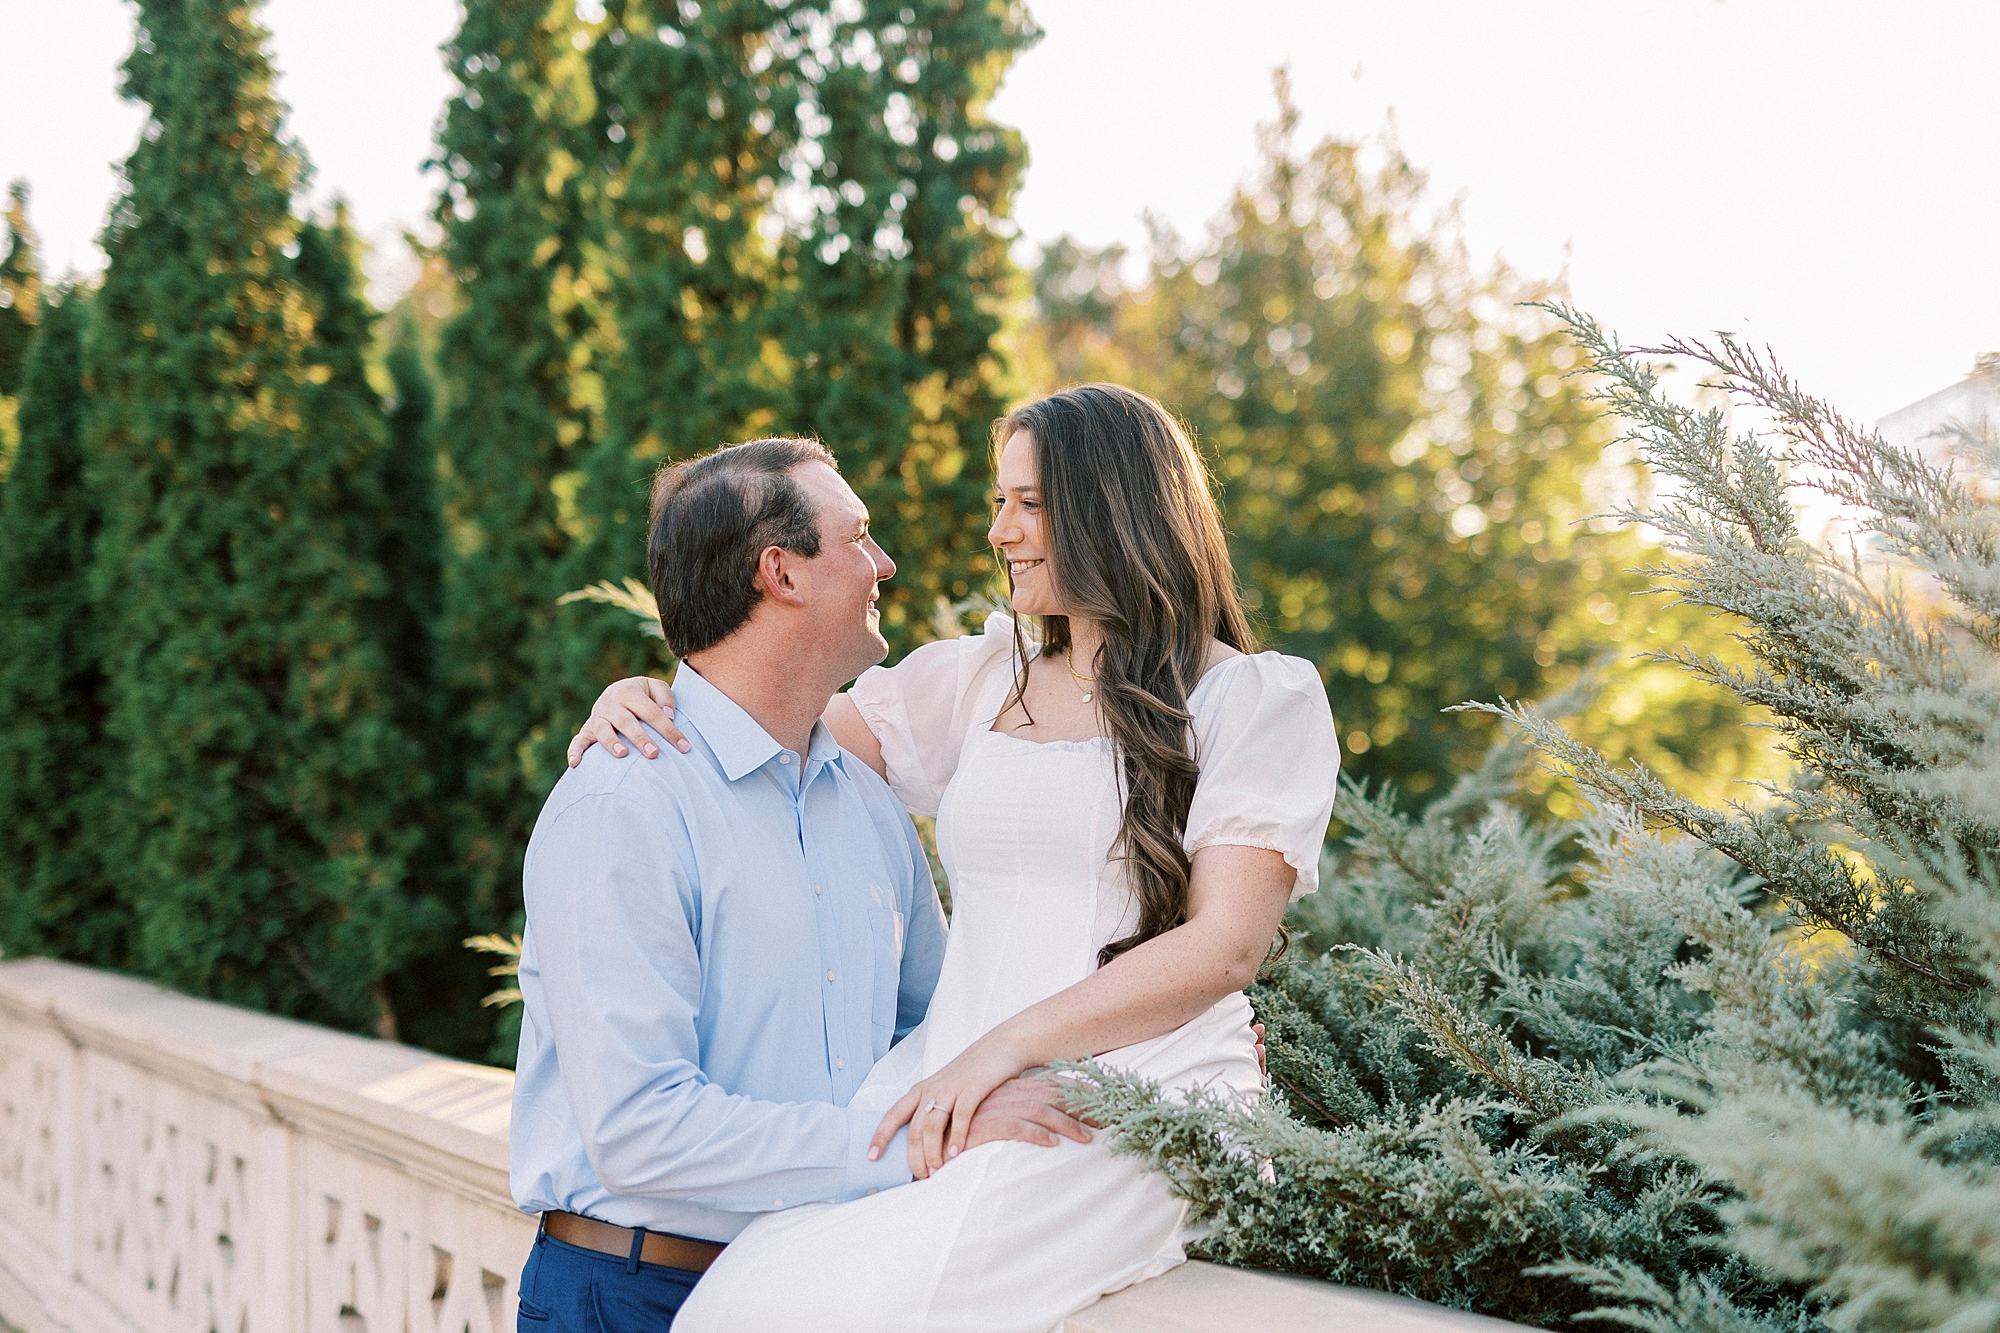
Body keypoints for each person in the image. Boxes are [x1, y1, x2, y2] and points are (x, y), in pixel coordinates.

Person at [569, 384, 1341, 1332]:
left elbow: (1225, 947)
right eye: (999, 502)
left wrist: (999, 1051)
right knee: (743, 1296)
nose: (998, 530)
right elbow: (756, 726)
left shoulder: (1252, 699)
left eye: (1027, 504)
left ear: (1112, 507)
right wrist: (639, 699)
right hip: (953, 1082)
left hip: (1123, 1092)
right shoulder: (977, 680)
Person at [510, 436, 1093, 1332]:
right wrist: (902, 1147)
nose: (884, 562)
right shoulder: (622, 806)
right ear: (779, 571)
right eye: (857, 535)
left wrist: (1156, 1059)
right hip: (635, 1296)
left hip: (832, 1283)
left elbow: (942, 1023)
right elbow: (640, 1131)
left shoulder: (868, 806)